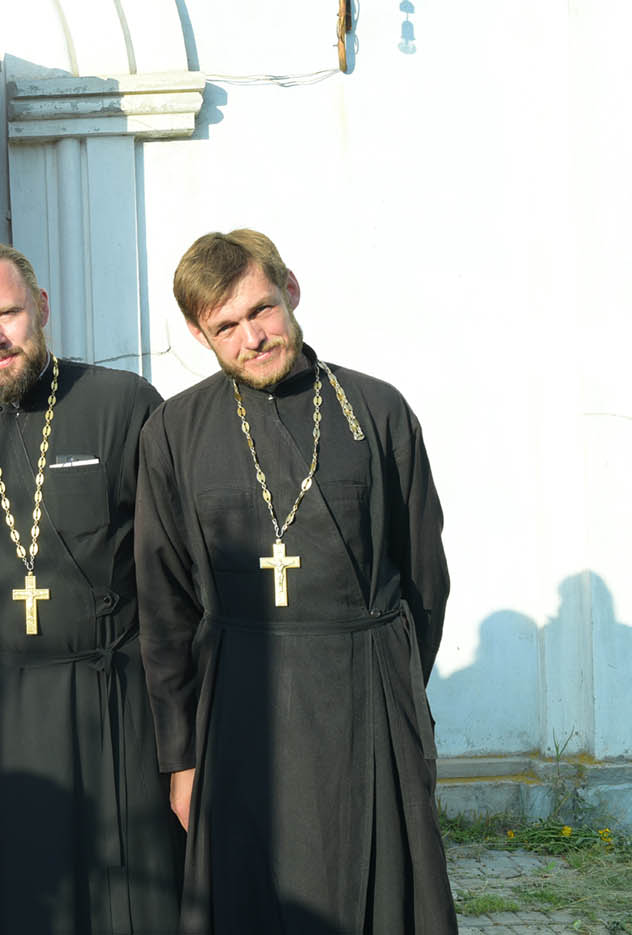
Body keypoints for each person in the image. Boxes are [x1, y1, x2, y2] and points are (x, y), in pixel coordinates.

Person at [136, 229, 455, 933]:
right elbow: (164, 609)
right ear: (199, 332)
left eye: (262, 310)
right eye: (226, 326)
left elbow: (424, 576)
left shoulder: (377, 410)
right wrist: (182, 757)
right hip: (238, 707)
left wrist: (395, 690)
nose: (251, 336)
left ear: (291, 290)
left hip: (363, 692)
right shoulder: (173, 432)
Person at [0, 243, 184, 934]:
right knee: (16, 902)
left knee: (132, 897)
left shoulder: (123, 403)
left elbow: (171, 573)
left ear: (40, 307)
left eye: (7, 313)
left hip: (113, 701)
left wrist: (179, 735)